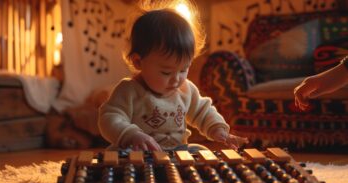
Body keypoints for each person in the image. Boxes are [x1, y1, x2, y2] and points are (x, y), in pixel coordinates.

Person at [98, 3, 248, 151]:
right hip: (138, 152)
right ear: (138, 62)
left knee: (200, 151)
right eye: (166, 72)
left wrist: (217, 129)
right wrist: (131, 135)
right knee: (114, 153)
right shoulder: (128, 90)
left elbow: (203, 111)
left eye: (183, 70)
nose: (176, 79)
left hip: (177, 150)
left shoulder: (186, 89)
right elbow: (109, 117)